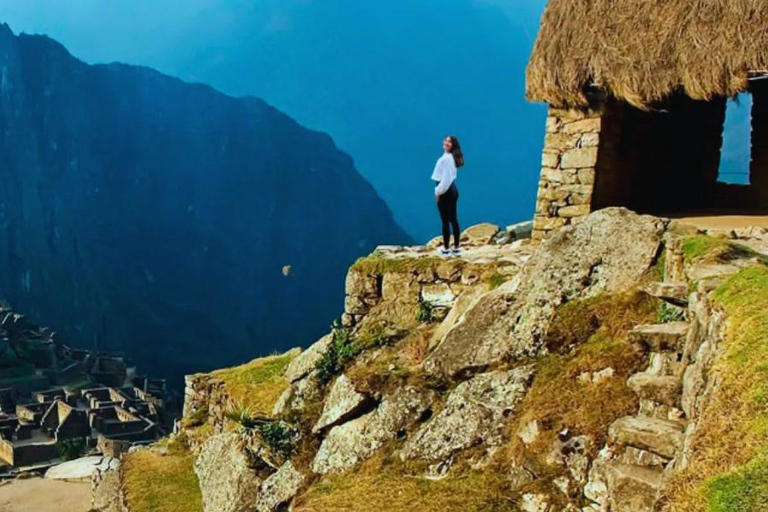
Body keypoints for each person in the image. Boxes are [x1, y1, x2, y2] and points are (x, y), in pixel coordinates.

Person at [431, 135, 464, 256]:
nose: (446, 142)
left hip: (446, 190)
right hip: (452, 189)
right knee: (453, 218)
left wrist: (438, 192)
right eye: (445, 140)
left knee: (445, 220)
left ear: (453, 145)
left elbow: (446, 180)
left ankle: (445, 248)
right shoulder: (451, 157)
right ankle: (455, 247)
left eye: (449, 141)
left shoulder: (447, 159)